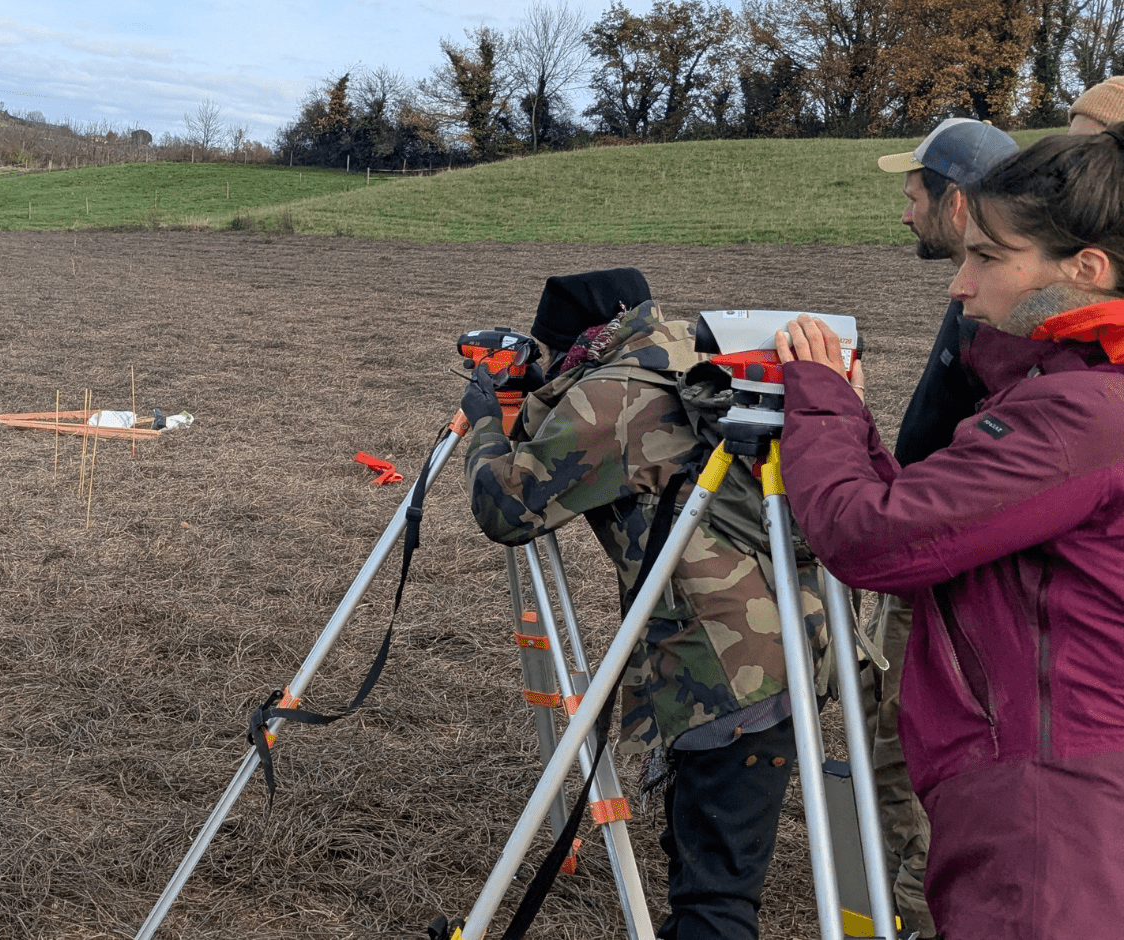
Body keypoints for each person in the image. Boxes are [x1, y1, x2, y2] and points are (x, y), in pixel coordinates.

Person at [778, 124, 1124, 937]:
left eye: (989, 258)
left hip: (1047, 808)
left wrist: (822, 400)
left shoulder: (1083, 415)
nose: (959, 286)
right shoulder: (1077, 391)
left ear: (1086, 270)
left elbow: (869, 538)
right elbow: (953, 515)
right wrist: (857, 426)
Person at [463, 269, 826, 940]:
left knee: (714, 898)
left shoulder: (609, 395)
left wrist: (486, 427)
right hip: (789, 640)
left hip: (724, 671)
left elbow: (508, 508)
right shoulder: (688, 354)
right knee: (706, 859)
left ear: (569, 343)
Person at [870, 117, 1018, 937]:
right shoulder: (993, 289)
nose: (905, 213)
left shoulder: (1004, 307)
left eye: (914, 193)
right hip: (941, 554)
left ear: (957, 202)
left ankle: (924, 914)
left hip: (949, 570)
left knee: (914, 747)